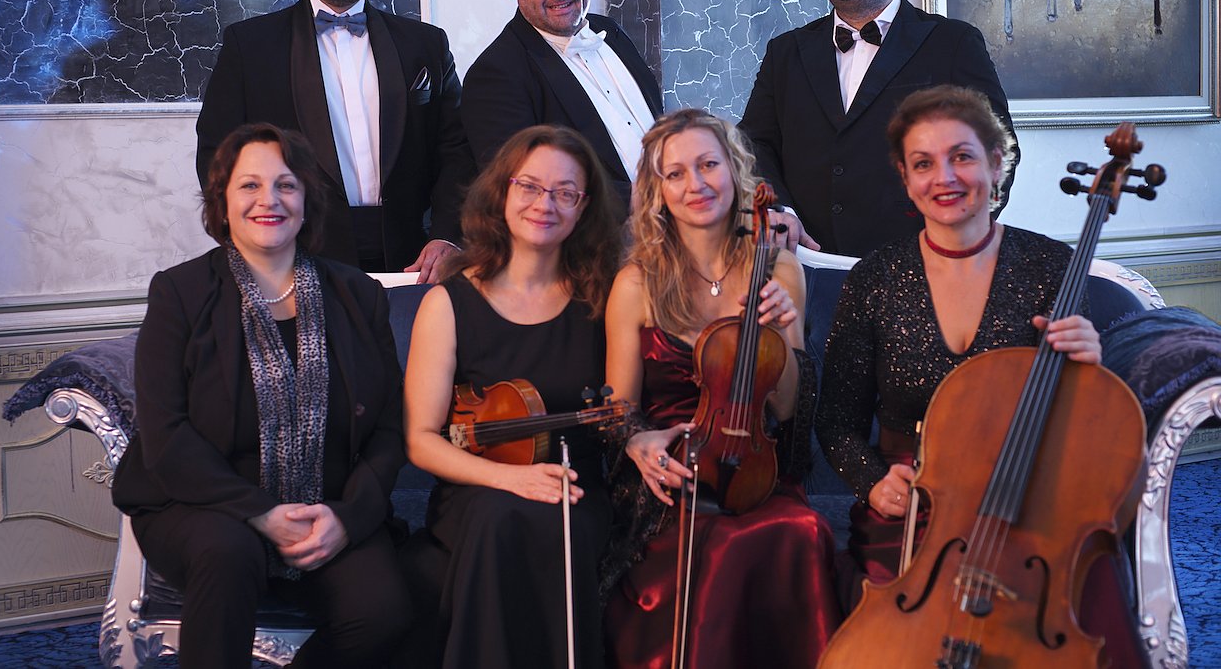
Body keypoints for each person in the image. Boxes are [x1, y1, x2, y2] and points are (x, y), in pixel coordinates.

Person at [815, 85, 1147, 666]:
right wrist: (873, 481)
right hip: (919, 508)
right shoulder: (875, 279)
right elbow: (837, 421)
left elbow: (1083, 432)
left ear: (996, 164)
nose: (944, 177)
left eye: (962, 156)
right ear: (905, 178)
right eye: (924, 163)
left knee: (1088, 593)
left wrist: (1088, 366)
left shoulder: (1051, 267)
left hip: (1029, 505)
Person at [111, 123, 410, 668]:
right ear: (222, 202)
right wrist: (262, 512)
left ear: (307, 200)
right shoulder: (179, 293)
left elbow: (390, 427)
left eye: (286, 185)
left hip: (327, 507)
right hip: (201, 505)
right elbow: (165, 434)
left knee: (384, 611)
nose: (268, 200)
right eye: (249, 185)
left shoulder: (358, 295)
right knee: (228, 552)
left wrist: (348, 517)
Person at [602, 109, 841, 668]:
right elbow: (617, 410)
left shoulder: (779, 268)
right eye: (676, 173)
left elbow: (790, 410)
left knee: (800, 528)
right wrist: (637, 441)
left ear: (734, 171)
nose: (696, 184)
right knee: (716, 545)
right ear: (658, 191)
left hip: (755, 471)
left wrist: (781, 330)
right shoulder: (635, 282)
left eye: (708, 165)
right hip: (670, 481)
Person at [404, 125, 621, 668]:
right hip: (476, 489)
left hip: (575, 489)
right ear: (502, 191)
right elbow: (422, 440)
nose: (545, 204)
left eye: (565, 192)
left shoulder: (606, 298)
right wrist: (509, 479)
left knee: (549, 522)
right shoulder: (448, 303)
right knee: (497, 515)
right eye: (529, 186)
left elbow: (625, 410)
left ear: (583, 207)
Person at [196, 0, 475, 280]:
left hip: (415, 261)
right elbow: (217, 156)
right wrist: (253, 244)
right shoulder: (250, 47)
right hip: (297, 258)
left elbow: (457, 151)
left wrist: (447, 235)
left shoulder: (425, 45)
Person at [739, 0, 1017, 258]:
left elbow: (998, 151)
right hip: (807, 266)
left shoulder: (953, 42)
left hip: (919, 268)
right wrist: (776, 208)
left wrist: (952, 243)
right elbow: (753, 145)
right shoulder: (785, 52)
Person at [461, 0, 663, 215]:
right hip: (600, 240)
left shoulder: (612, 32)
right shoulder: (496, 73)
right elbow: (521, 186)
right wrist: (653, 200)